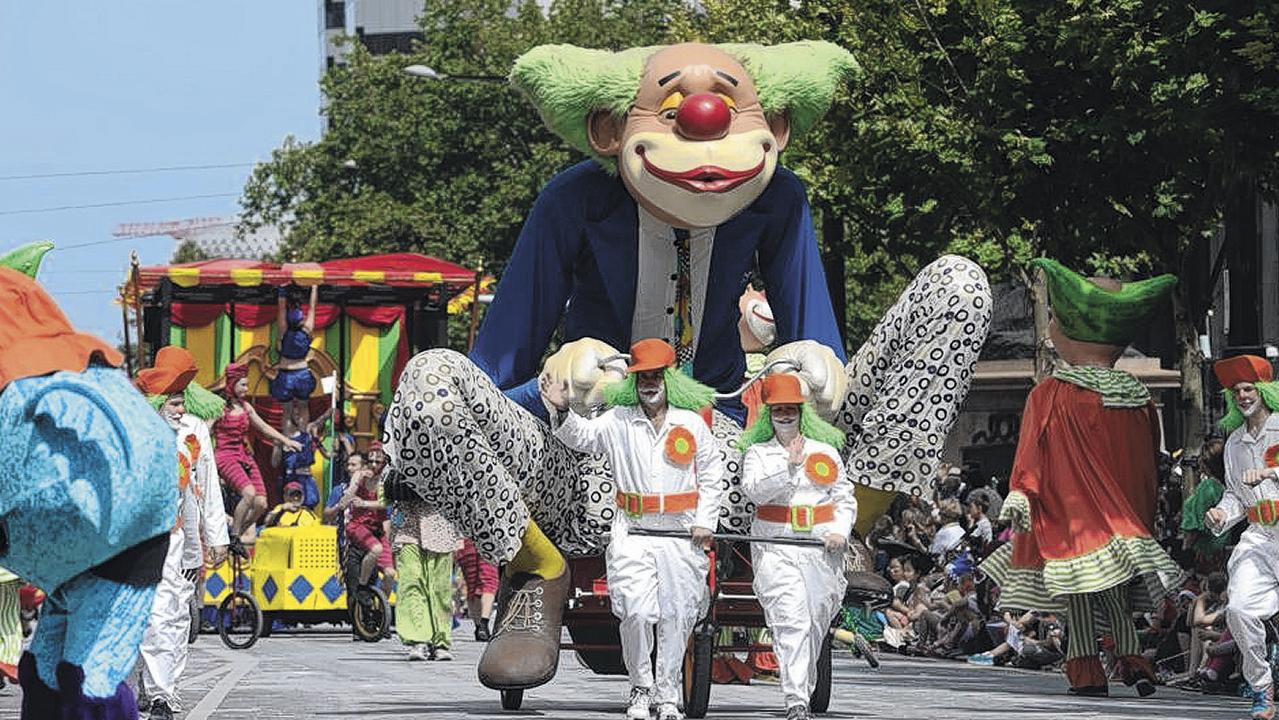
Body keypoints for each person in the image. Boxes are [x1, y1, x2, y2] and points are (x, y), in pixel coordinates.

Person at [383, 41, 992, 692]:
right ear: (609, 131)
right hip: (581, 467)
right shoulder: (574, 201)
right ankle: (535, 569)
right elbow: (491, 379)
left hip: (726, 465)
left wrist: (813, 368)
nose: (703, 122)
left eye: (728, 110)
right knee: (427, 385)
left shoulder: (776, 200)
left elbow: (818, 345)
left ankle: (847, 533)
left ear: (773, 129)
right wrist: (557, 383)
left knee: (956, 288)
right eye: (673, 110)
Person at [980, 258, 1183, 698]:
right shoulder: (1138, 396)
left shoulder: (1051, 392)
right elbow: (1150, 462)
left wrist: (1021, 492)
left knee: (1078, 595)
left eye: (1053, 318)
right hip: (1122, 517)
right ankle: (1132, 657)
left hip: (1071, 514)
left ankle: (1086, 669)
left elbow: (1030, 449)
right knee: (1111, 589)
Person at [543, 338, 725, 720]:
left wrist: (706, 521)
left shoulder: (690, 423)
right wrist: (561, 409)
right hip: (633, 532)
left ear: (668, 378)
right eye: (643, 376)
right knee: (636, 613)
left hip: (680, 533)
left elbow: (711, 475)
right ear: (634, 380)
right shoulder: (618, 419)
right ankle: (640, 688)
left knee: (677, 616)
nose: (649, 383)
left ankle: (668, 694)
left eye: (656, 375)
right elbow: (582, 437)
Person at [738, 373, 856, 720]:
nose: (785, 415)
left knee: (815, 625)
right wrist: (788, 466)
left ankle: (803, 690)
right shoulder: (757, 454)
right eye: (778, 410)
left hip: (821, 551)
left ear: (802, 411)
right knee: (792, 622)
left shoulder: (826, 452)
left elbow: (844, 499)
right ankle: (795, 701)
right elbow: (754, 492)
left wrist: (839, 530)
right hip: (775, 549)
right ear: (769, 414)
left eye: (791, 409)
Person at [134, 346, 230, 720]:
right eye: (173, 402)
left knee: (175, 616)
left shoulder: (194, 431)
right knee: (152, 617)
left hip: (180, 541)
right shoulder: (136, 430)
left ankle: (164, 692)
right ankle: (151, 690)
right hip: (140, 543)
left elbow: (206, 485)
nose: (179, 409)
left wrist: (216, 536)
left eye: (181, 402)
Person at [1204, 354, 1279, 718]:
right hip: (1260, 537)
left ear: (1264, 390)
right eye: (1237, 391)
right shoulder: (1233, 443)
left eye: (1249, 388)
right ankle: (1262, 689)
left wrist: (1270, 474)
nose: (1243, 396)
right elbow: (1235, 493)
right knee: (1238, 608)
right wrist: (1222, 512)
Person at [214, 363, 301, 556]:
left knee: (262, 503)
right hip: (225, 456)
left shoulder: (246, 407)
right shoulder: (219, 407)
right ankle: (235, 536)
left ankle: (232, 536)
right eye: (243, 385)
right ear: (232, 384)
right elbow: (205, 428)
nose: (246, 389)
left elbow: (263, 428)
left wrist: (287, 440)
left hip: (243, 455)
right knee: (249, 494)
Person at [384, 464, 462, 661]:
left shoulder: (447, 451)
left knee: (441, 586)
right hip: (407, 525)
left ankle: (441, 641)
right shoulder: (399, 446)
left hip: (441, 526)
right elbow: (384, 490)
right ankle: (417, 640)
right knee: (411, 581)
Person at [344, 454, 397, 589]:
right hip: (358, 527)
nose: (373, 465)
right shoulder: (359, 475)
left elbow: (385, 503)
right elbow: (347, 497)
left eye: (377, 462)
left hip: (376, 531)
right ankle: (362, 584)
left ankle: (381, 608)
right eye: (370, 461)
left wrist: (364, 503)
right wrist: (358, 481)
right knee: (376, 549)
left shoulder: (384, 481)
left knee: (390, 574)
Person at [272, 284, 318, 433]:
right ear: (301, 319)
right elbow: (312, 308)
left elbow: (281, 309)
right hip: (302, 373)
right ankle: (303, 436)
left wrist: (282, 291)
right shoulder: (307, 330)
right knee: (303, 406)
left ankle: (287, 439)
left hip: (286, 373)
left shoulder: (283, 331)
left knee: (286, 411)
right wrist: (314, 288)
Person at [455, 539, 498, 642]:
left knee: (472, 586)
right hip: (487, 539)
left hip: (465, 543)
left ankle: (478, 627)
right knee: (489, 581)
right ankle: (484, 624)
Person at [1188, 572, 1229, 681]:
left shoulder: (1229, 607)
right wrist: (1196, 602)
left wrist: (1201, 599)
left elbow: (1198, 620)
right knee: (1199, 630)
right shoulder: (1219, 605)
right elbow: (1190, 623)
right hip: (1220, 638)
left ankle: (1199, 671)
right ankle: (1194, 672)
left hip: (1227, 639)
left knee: (1205, 631)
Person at [929, 499, 966, 566]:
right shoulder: (962, 531)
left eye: (940, 513)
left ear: (944, 516)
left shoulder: (943, 533)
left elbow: (933, 554)